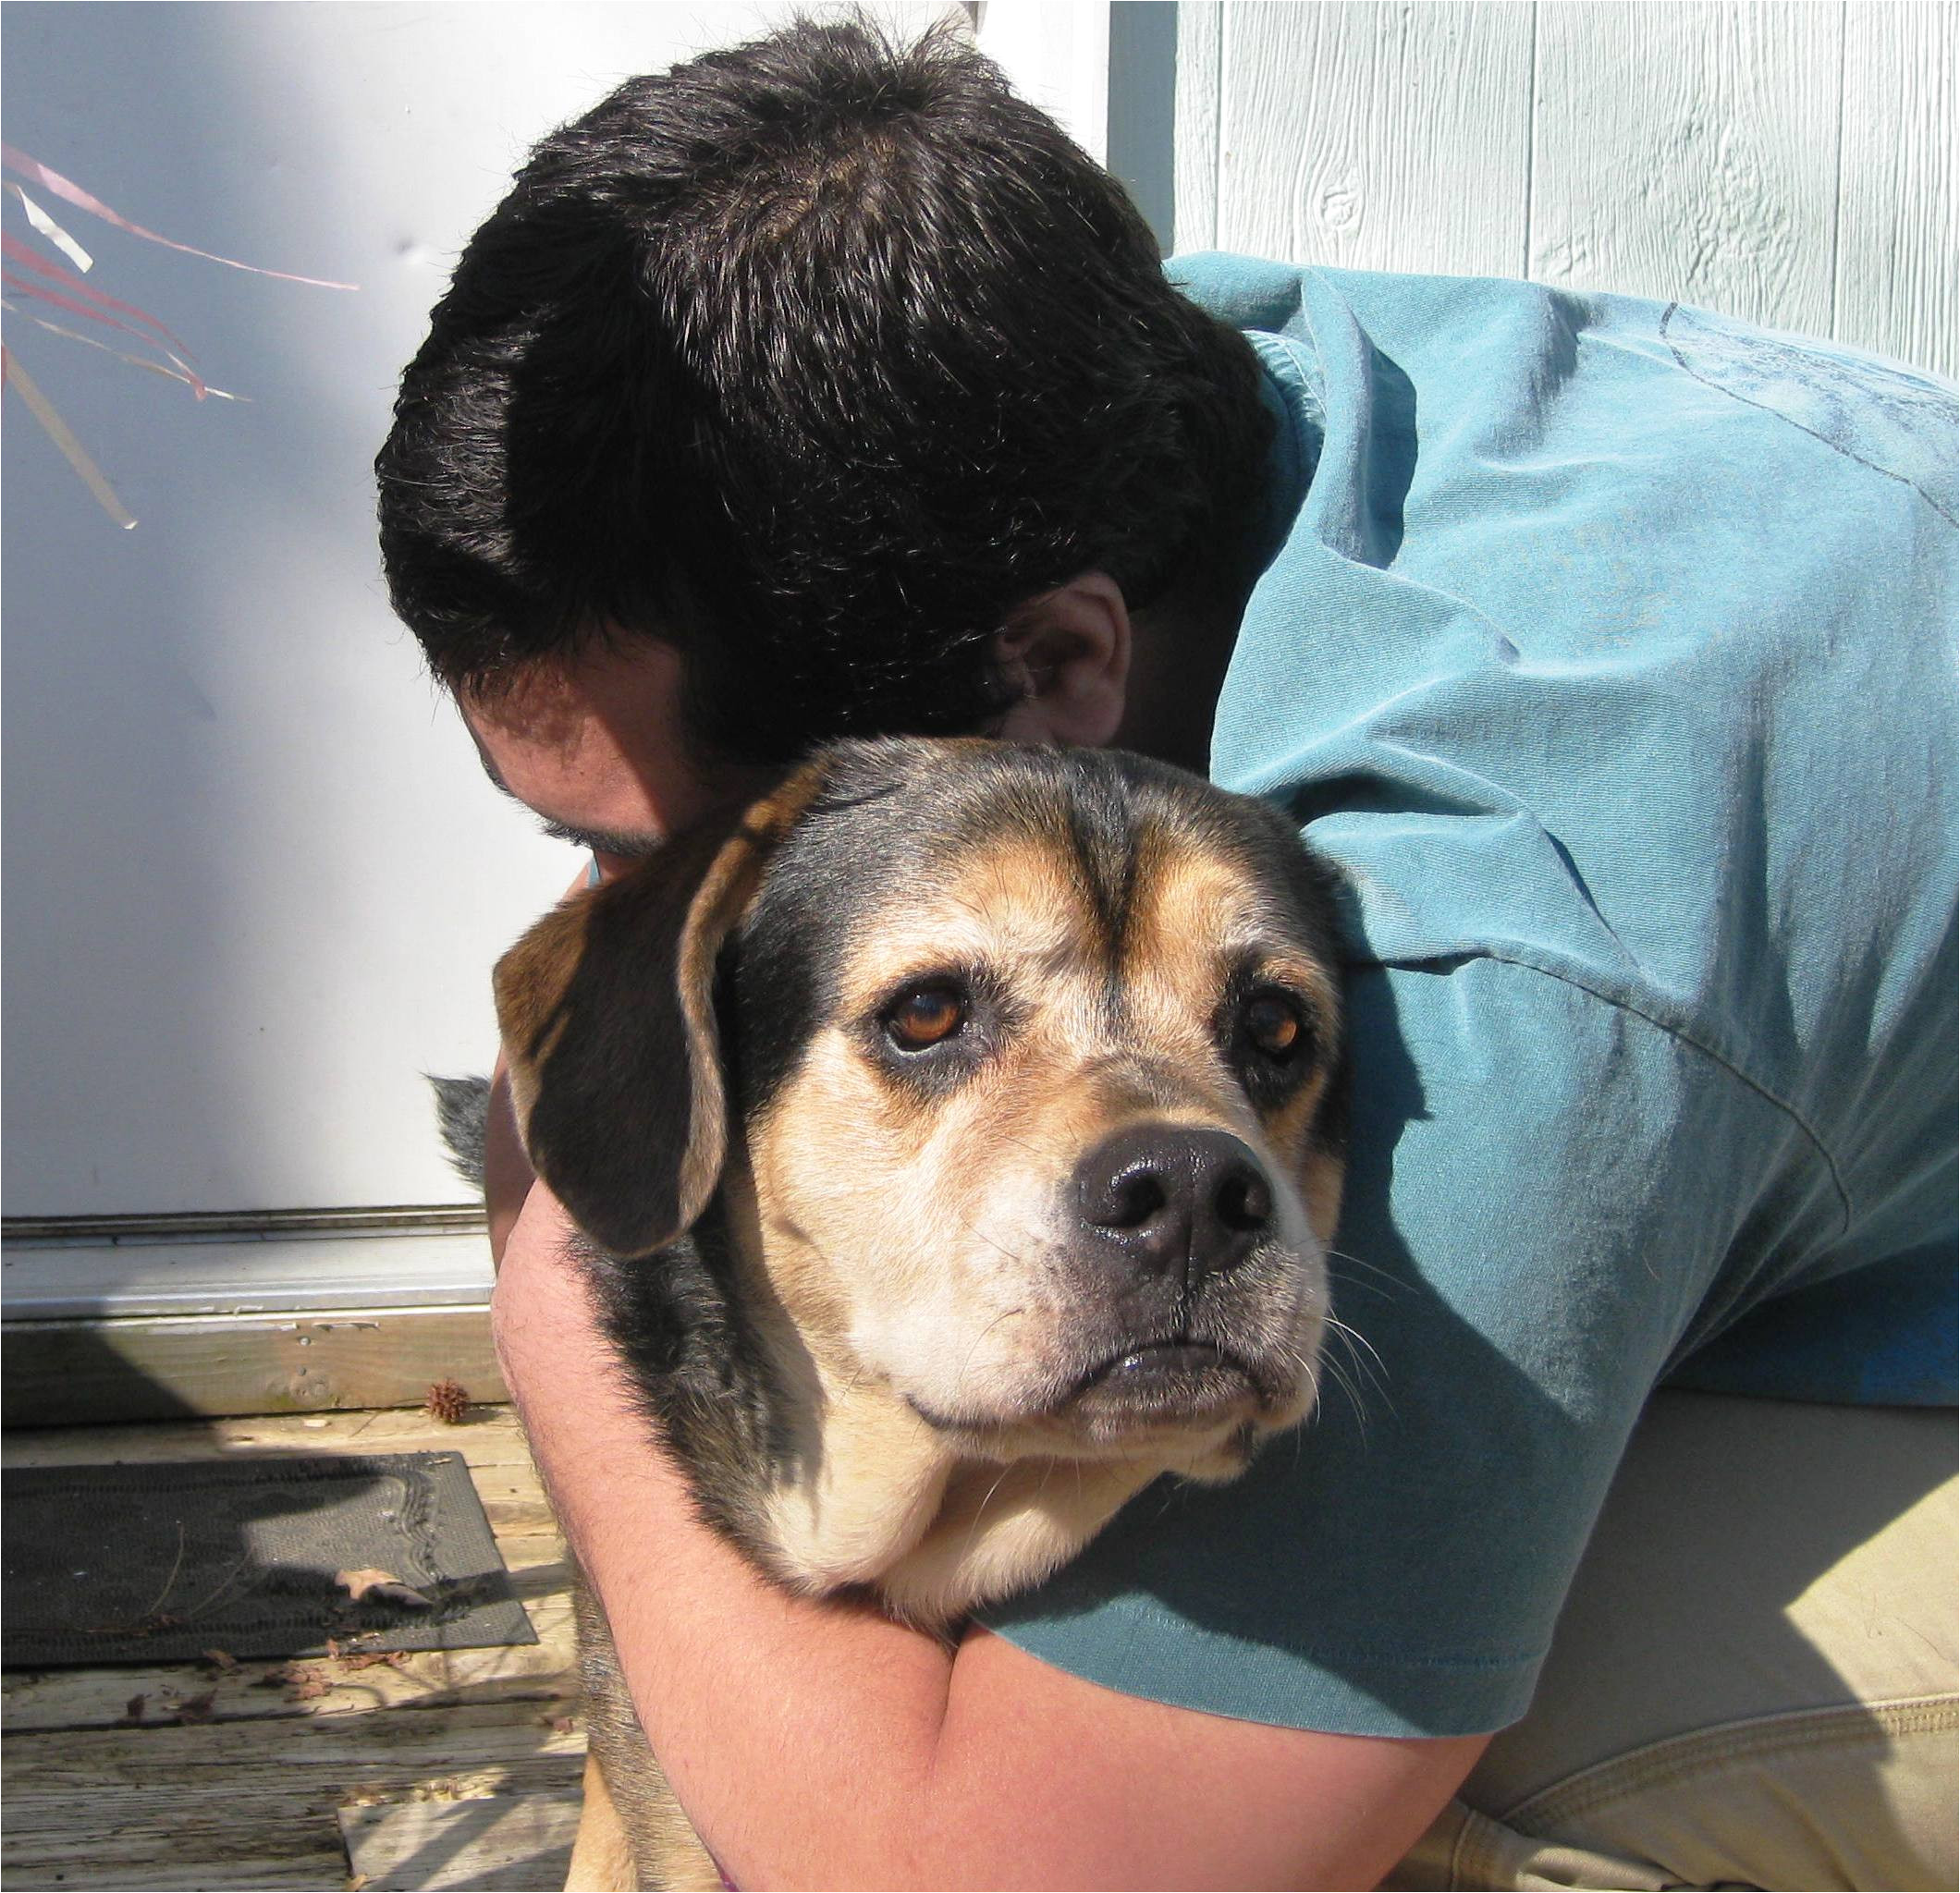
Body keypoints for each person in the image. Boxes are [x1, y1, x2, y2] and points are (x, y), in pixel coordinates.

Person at [376, 18, 1957, 1889]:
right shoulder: (1104, 400)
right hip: (1811, 1144)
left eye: (633, 852)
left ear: (1054, 672)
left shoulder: (1486, 974)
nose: (590, 920)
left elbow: (1007, 1878)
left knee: (1343, 1813)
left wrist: (560, 1303)